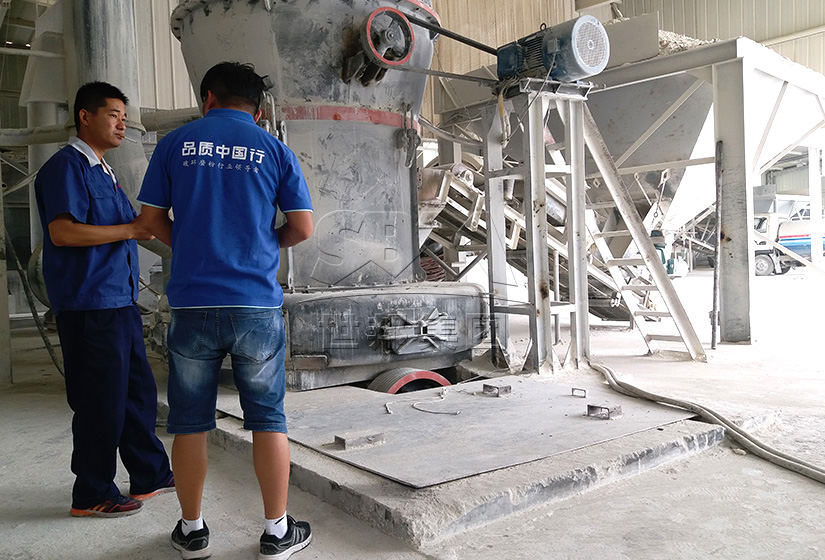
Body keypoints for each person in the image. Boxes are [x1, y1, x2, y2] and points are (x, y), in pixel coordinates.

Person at [137, 62, 314, 560]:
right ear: (257, 111)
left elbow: (149, 220)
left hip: (193, 302)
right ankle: (277, 532)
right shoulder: (274, 150)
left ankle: (192, 530)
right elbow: (302, 227)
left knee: (189, 421)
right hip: (255, 303)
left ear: (208, 98)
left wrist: (190, 245)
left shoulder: (176, 144)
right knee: (268, 419)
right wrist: (262, 246)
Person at [34, 81, 174, 518]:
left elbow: (133, 227)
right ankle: (92, 491)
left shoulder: (104, 171)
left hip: (119, 300)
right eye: (113, 115)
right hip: (89, 303)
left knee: (137, 393)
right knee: (100, 400)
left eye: (124, 118)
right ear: (85, 116)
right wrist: (131, 229)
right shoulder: (66, 167)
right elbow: (63, 232)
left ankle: (150, 473)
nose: (122, 125)